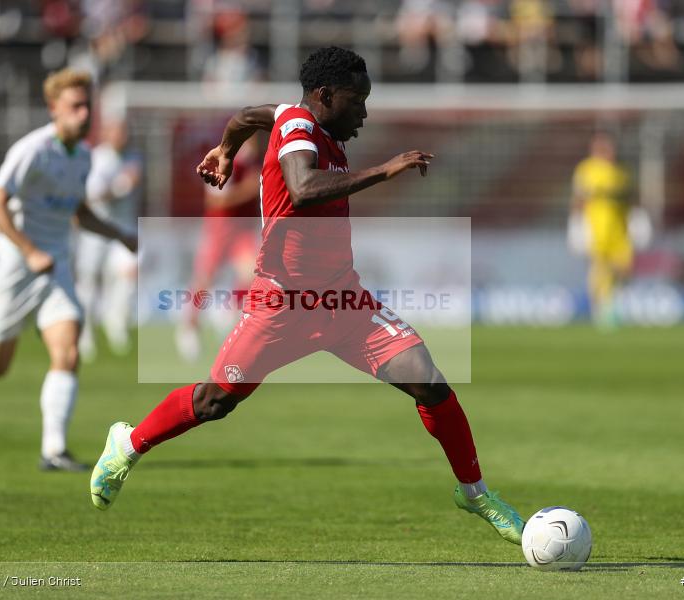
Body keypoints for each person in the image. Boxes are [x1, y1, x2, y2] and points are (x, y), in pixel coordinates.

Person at [89, 47, 524, 544]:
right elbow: (301, 188)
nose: (363, 112)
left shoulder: (291, 116)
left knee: (429, 381)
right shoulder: (298, 128)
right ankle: (128, 443)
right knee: (213, 403)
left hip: (343, 301)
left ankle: (475, 493)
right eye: (357, 101)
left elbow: (248, 115)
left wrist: (228, 149)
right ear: (326, 95)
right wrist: (384, 170)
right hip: (281, 305)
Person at [0, 68, 137, 471]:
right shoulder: (32, 150)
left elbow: (77, 212)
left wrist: (119, 234)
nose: (84, 113)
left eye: (87, 105)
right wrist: (30, 250)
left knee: (68, 350)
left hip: (54, 264)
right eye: (75, 105)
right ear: (54, 108)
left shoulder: (84, 155)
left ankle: (53, 450)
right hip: (15, 263)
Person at [174, 136, 261, 363]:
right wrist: (249, 189)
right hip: (219, 229)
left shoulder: (253, 163)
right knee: (204, 280)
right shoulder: (224, 161)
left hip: (242, 231)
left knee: (252, 272)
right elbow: (216, 201)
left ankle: (229, 309)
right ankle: (189, 328)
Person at [75, 118, 142, 362]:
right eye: (117, 131)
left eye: (125, 132)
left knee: (130, 272)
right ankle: (85, 331)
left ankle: (116, 321)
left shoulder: (134, 157)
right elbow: (94, 196)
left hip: (123, 228)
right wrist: (121, 185)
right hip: (97, 228)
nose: (121, 137)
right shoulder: (97, 158)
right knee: (89, 280)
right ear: (107, 133)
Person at [571, 131, 633, 328]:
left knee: (625, 267)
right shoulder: (587, 170)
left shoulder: (620, 172)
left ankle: (609, 302)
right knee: (600, 268)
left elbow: (628, 199)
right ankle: (602, 309)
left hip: (619, 229)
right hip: (597, 227)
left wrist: (635, 218)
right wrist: (576, 221)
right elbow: (579, 198)